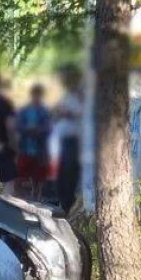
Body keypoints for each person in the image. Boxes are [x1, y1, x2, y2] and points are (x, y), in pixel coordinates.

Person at [53, 65, 84, 213]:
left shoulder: (80, 95)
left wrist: (67, 112)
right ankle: (62, 203)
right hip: (60, 140)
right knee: (60, 174)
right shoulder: (64, 95)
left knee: (70, 173)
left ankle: (68, 205)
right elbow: (56, 113)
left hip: (74, 141)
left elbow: (81, 113)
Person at [15, 84, 52, 200]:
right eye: (35, 95)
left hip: (40, 148)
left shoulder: (45, 111)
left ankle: (38, 196)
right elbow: (18, 125)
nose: (36, 97)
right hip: (25, 147)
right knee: (22, 173)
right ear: (31, 96)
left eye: (39, 95)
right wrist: (27, 130)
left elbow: (48, 127)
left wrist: (39, 131)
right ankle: (23, 197)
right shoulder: (24, 110)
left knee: (39, 175)